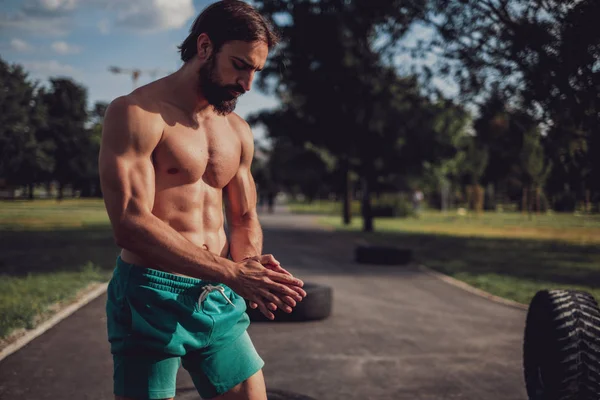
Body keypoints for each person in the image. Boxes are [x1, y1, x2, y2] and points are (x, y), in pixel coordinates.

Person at [98, 2, 306, 399]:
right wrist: (232, 273)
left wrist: (249, 267)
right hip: (150, 294)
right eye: (240, 65)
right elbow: (129, 223)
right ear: (205, 46)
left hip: (218, 294)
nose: (247, 85)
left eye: (255, 72)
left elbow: (244, 218)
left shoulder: (237, 130)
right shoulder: (137, 114)